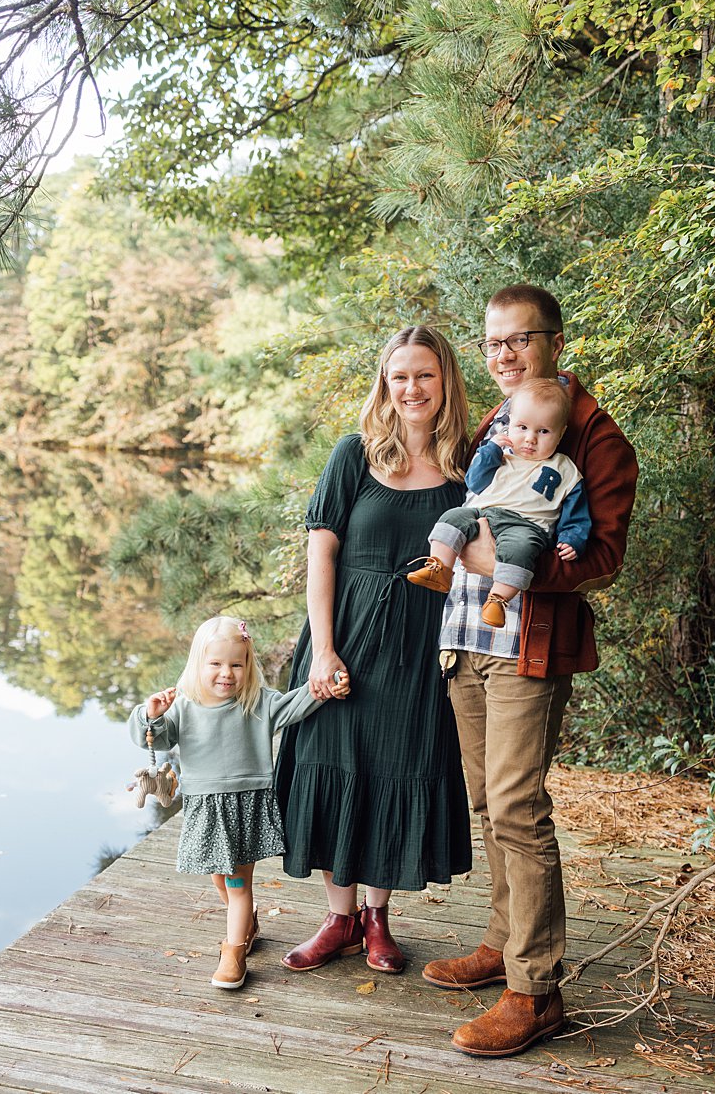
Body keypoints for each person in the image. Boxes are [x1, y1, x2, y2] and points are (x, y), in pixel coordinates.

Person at [420, 284, 638, 1058]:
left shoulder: (597, 439)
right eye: (493, 343)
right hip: (465, 635)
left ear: (554, 340)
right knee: (488, 802)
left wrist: (502, 562)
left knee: (518, 804)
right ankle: (502, 942)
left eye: (519, 340)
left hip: (528, 643)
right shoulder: (499, 419)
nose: (504, 355)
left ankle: (535, 988)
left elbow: (603, 556)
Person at [273, 324, 473, 976]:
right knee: (335, 769)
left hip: (421, 649)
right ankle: (338, 917)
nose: (411, 388)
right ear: (384, 384)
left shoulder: (469, 465)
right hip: (347, 639)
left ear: (445, 381)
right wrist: (323, 649)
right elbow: (321, 551)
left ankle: (377, 920)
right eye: (399, 376)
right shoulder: (354, 454)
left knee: (393, 769)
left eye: (424, 375)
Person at [128, 615, 349, 990]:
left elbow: (296, 705)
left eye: (236, 664)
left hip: (245, 804)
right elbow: (154, 739)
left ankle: (233, 953)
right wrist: (151, 714)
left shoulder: (257, 703)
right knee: (219, 874)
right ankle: (246, 925)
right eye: (215, 664)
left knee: (237, 882)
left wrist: (324, 687)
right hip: (204, 805)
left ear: (248, 665)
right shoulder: (183, 706)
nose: (226, 674)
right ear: (198, 664)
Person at [405, 378, 590, 628]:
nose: (530, 439)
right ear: (509, 424)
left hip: (527, 526)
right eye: (522, 427)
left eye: (543, 431)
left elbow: (576, 513)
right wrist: (490, 451)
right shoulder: (501, 456)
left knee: (520, 550)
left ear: (561, 432)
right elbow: (474, 481)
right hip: (484, 513)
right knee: (453, 516)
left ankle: (498, 599)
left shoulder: (565, 468)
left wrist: (573, 538)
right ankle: (439, 567)